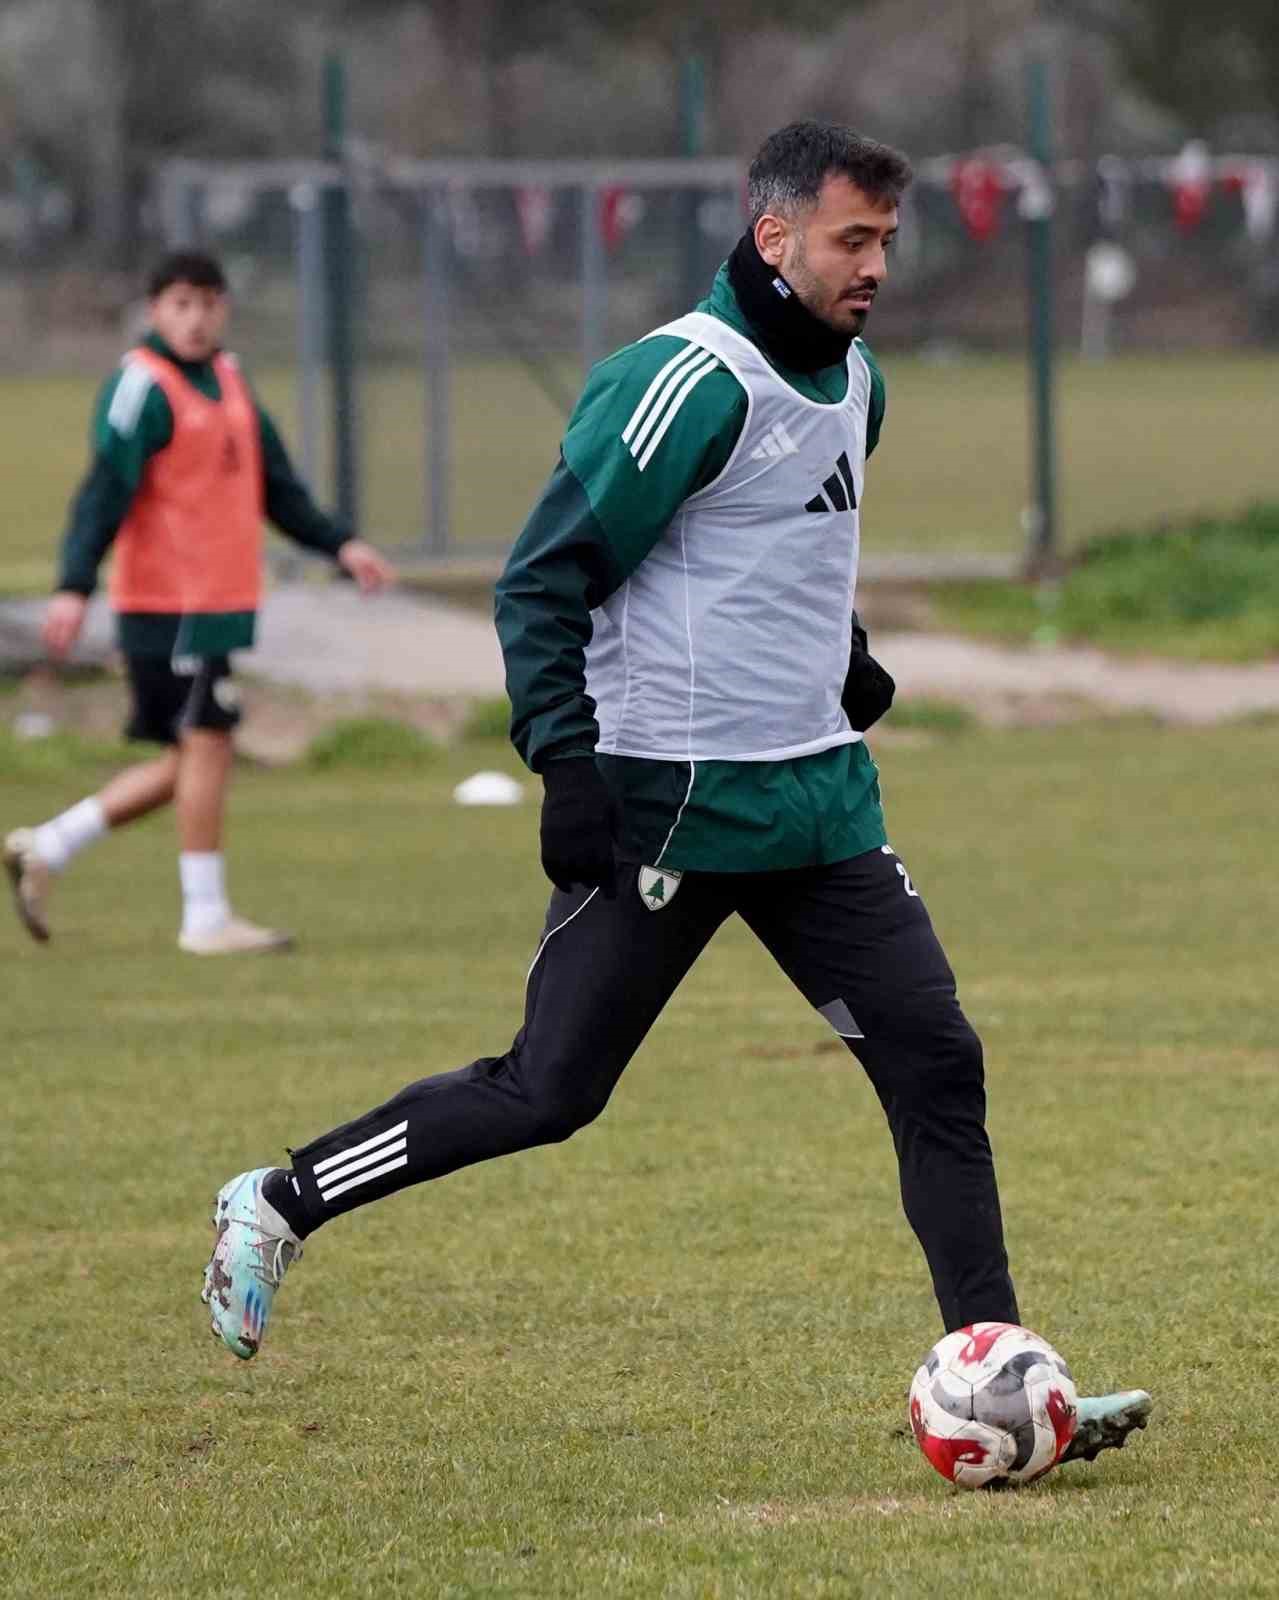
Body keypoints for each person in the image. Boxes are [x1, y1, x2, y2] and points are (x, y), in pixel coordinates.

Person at [199, 124, 1150, 1465]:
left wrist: (843, 656)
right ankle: (277, 1199)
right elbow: (541, 581)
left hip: (818, 809)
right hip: (665, 812)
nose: (875, 265)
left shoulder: (857, 380)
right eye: (852, 240)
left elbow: (773, 549)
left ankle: (997, 1371)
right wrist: (565, 765)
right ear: (774, 236)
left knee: (935, 1060)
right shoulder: (680, 381)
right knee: (547, 1090)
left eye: (886, 240)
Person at [3, 250, 396, 954]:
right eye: (181, 304)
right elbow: (103, 492)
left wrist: (341, 545)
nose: (195, 318)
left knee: (190, 759)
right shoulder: (141, 387)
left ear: (225, 310)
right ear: (155, 309)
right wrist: (73, 585)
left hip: (216, 605)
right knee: (209, 741)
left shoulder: (229, 378)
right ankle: (205, 918)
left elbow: (277, 488)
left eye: (208, 303)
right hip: (170, 605)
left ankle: (49, 846)